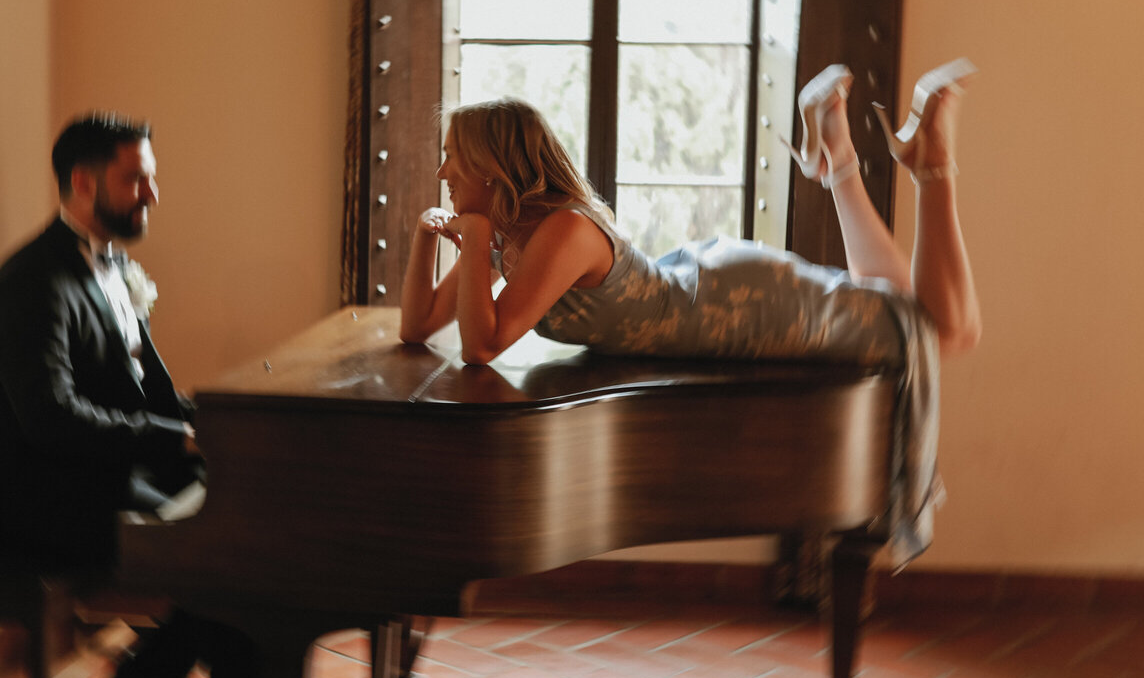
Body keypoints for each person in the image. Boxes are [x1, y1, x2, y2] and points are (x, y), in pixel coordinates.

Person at [398, 60, 983, 562]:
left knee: (943, 330)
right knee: (893, 301)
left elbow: (481, 345)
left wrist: (473, 240)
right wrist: (432, 237)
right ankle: (837, 147)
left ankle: (929, 160)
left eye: (451, 158)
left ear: (488, 168)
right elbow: (418, 324)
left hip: (737, 307)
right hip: (713, 291)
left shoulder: (560, 231)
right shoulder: (509, 232)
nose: (442, 173)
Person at [0, 115, 255, 678]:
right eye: (136, 181)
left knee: (250, 508)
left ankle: (155, 671)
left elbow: (146, 386)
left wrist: (216, 426)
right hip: (48, 502)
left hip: (112, 470)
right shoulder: (30, 285)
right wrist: (173, 441)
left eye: (151, 179)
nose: (152, 195)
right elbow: (51, 420)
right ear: (81, 182)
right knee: (221, 553)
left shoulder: (112, 262)